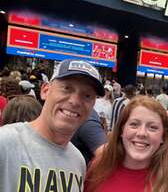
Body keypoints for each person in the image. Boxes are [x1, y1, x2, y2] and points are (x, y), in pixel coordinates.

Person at [0, 59, 105, 192]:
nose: (75, 101)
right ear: (45, 91)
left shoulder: (78, 161)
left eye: (87, 95)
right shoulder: (5, 143)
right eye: (67, 88)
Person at [84, 95, 168, 192]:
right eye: (134, 124)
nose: (142, 133)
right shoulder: (98, 168)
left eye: (152, 127)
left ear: (163, 137)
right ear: (121, 131)